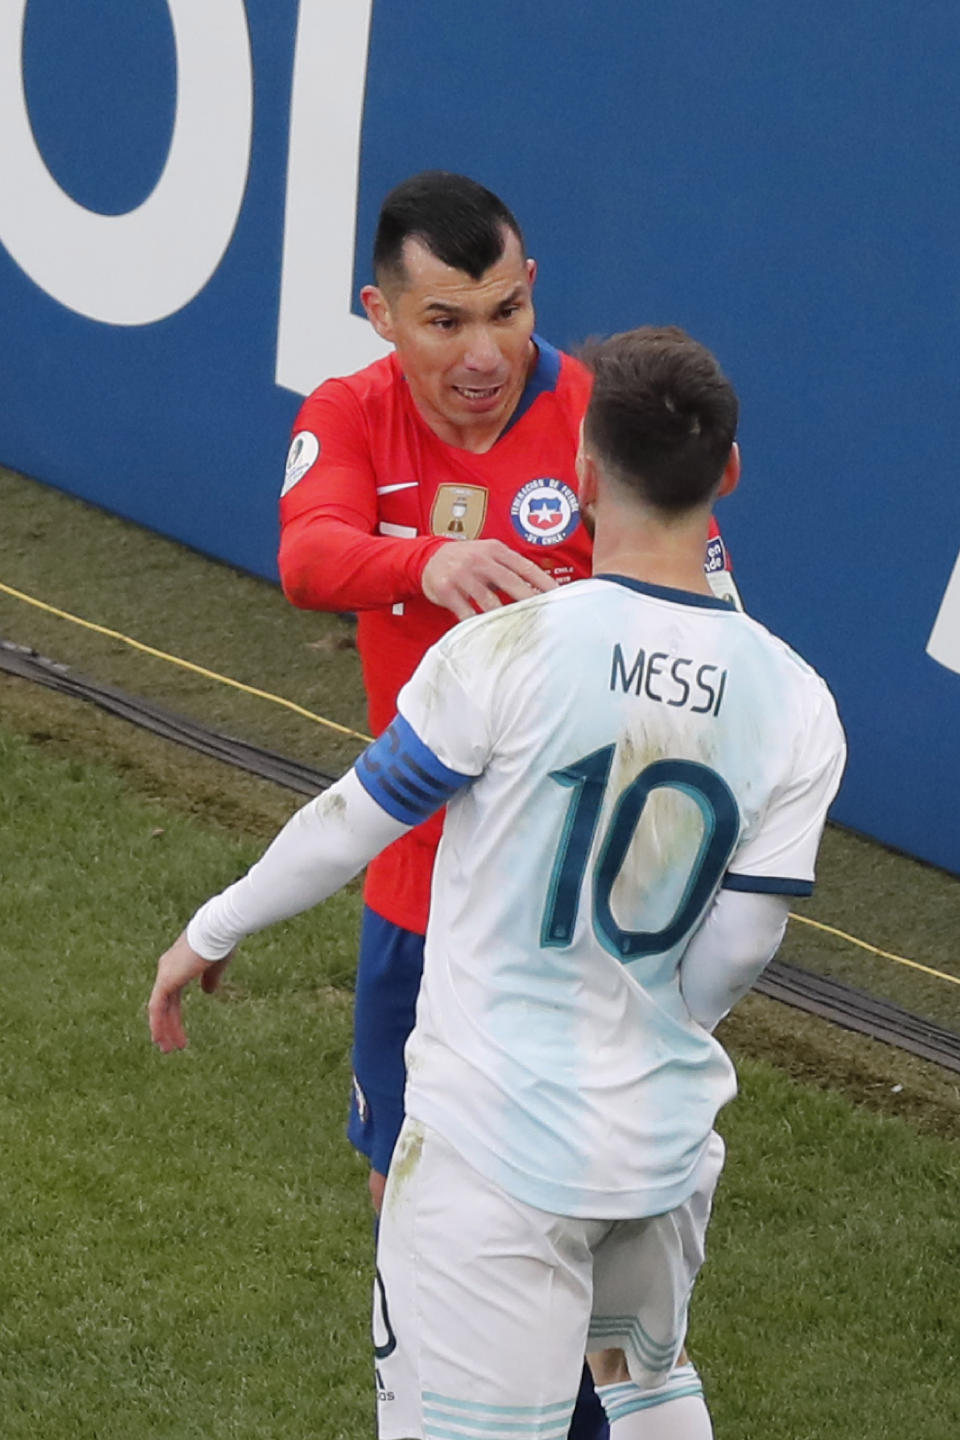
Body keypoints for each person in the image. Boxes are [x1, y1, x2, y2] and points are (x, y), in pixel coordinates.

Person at [150, 325, 846, 1440]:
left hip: (494, 1160)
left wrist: (215, 927)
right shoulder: (799, 700)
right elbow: (742, 944)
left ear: (580, 469)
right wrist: (654, 1023)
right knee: (646, 1378)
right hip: (662, 1152)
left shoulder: (504, 653)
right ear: (728, 474)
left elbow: (349, 825)